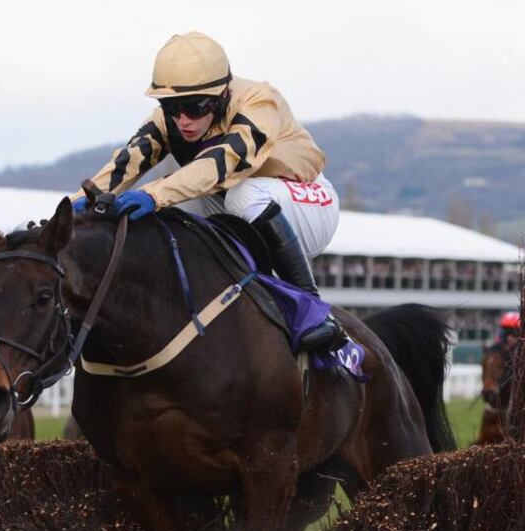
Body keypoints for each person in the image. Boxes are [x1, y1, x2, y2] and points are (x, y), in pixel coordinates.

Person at [72, 31, 344, 352]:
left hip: (307, 200)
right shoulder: (170, 120)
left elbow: (221, 164)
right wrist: (72, 209)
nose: (183, 120)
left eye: (195, 107)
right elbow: (128, 162)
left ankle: (310, 307)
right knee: (176, 213)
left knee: (236, 194)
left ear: (221, 95)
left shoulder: (259, 102)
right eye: (172, 107)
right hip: (238, 200)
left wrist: (153, 194)